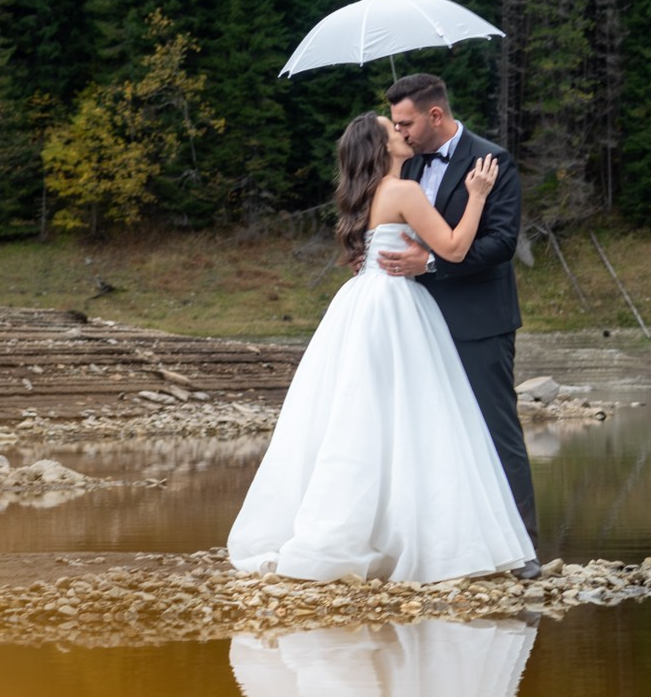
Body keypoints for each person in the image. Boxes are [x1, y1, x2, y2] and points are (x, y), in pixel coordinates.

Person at [227, 112, 533, 584]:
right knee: (416, 419)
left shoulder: (362, 195)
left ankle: (356, 533)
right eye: (393, 129)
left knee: (362, 418)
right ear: (381, 146)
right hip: (396, 306)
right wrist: (476, 198)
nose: (401, 131)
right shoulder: (403, 191)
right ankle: (420, 537)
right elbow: (452, 248)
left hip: (361, 303)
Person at [377, 74, 540, 575]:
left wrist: (429, 264)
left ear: (434, 115)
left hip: (477, 319)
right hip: (415, 323)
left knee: (495, 430)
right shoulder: (404, 168)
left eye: (406, 123)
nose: (400, 133)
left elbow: (499, 244)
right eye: (395, 126)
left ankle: (523, 550)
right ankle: (451, 546)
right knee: (431, 433)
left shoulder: (491, 161)